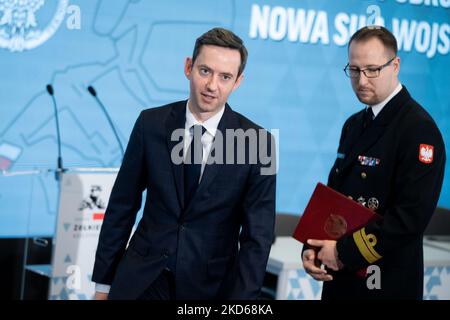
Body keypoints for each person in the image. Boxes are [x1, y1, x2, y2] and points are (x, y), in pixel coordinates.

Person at [92, 27, 276, 300]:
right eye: (205, 71)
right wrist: (103, 285)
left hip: (209, 289)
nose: (212, 86)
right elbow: (122, 205)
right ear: (188, 67)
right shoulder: (150, 123)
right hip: (141, 280)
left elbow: (257, 239)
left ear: (238, 82)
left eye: (225, 77)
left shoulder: (259, 143)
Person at [302, 26, 446, 299]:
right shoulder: (353, 125)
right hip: (339, 279)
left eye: (372, 69)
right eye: (354, 70)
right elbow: (334, 199)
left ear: (395, 65)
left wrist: (343, 253)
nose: (361, 80)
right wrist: (313, 247)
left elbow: (409, 219)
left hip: (386, 282)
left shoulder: (418, 129)